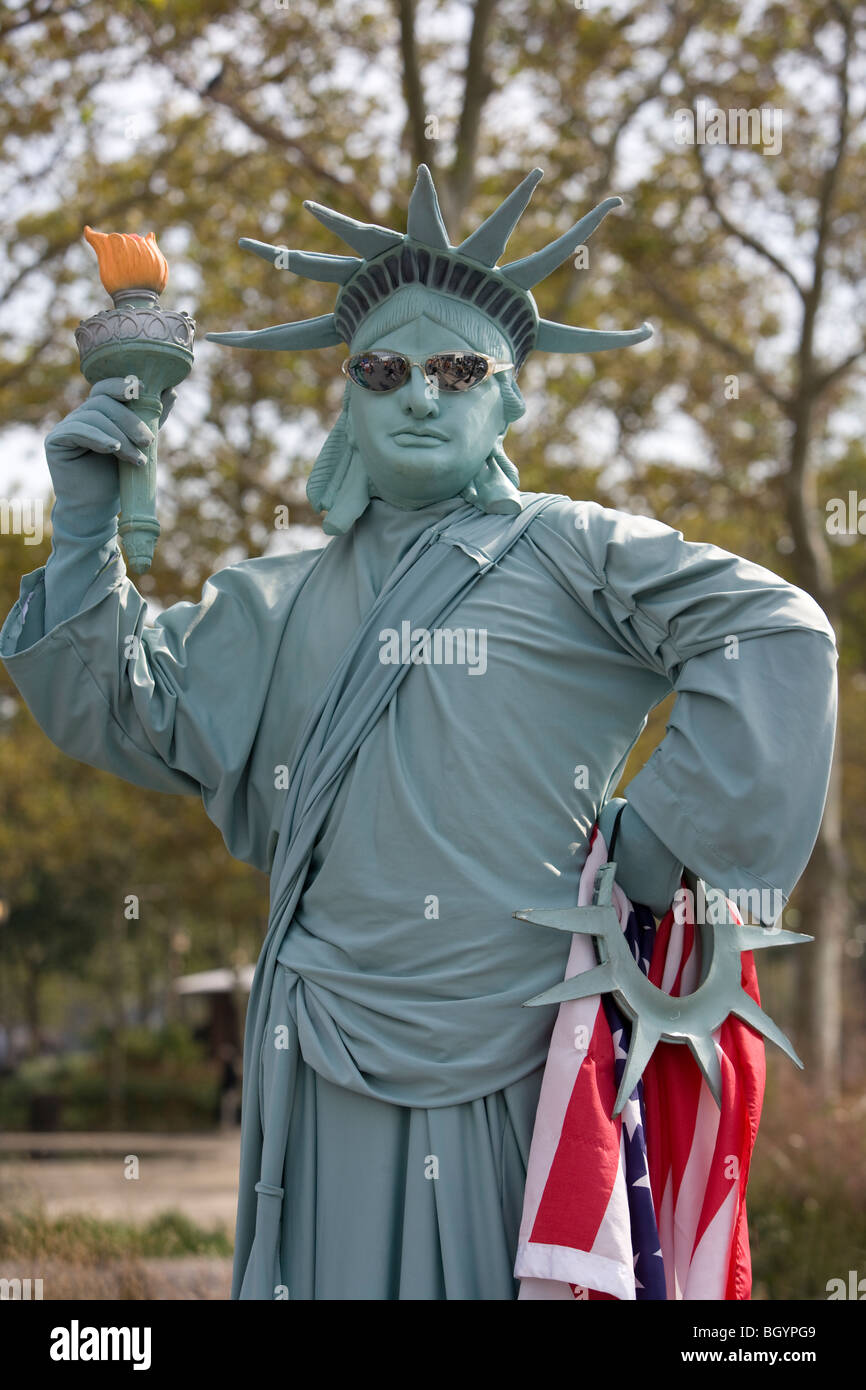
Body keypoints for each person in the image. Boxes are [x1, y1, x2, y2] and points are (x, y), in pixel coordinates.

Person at [0, 166, 837, 1300]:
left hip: (526, 1044)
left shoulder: (574, 552)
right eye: (382, 370)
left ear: (510, 402)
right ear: (346, 396)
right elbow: (122, 702)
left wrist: (658, 850)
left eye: (456, 370)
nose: (418, 395)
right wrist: (89, 519)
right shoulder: (271, 599)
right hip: (325, 1046)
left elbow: (775, 632)